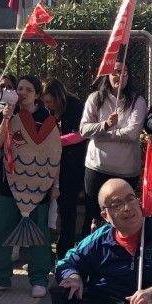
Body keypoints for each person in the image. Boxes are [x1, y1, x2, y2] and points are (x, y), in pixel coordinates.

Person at [0, 74, 61, 297]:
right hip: (7, 185)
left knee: (39, 233)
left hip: (38, 186)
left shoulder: (48, 118)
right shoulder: (10, 113)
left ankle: (39, 279)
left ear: (37, 94)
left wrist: (56, 185)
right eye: (20, 89)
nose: (22, 93)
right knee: (0, 230)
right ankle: (0, 277)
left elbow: (55, 153)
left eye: (28, 89)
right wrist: (5, 120)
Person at [80, 65, 147, 234]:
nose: (119, 76)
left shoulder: (137, 101)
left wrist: (102, 134)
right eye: (115, 72)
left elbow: (132, 133)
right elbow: (84, 130)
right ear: (107, 74)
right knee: (94, 216)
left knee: (123, 218)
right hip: (97, 167)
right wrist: (105, 125)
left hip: (126, 170)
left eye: (123, 71)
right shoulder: (95, 99)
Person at [43, 78, 86, 256]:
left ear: (58, 97)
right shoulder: (48, 111)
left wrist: (55, 141)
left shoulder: (74, 106)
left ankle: (65, 250)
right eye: (44, 102)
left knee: (68, 210)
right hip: (52, 164)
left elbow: (80, 134)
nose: (47, 105)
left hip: (72, 164)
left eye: (50, 101)